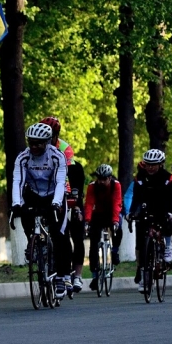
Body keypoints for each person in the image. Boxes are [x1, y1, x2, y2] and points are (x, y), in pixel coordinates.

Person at [10, 123, 72, 299]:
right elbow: (17, 181)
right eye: (31, 142)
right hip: (33, 193)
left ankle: (60, 277)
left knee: (59, 235)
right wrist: (16, 204)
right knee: (23, 211)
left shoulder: (57, 156)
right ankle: (33, 242)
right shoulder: (23, 157)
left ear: (47, 142)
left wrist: (56, 203)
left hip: (54, 194)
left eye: (38, 143)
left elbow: (60, 182)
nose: (34, 146)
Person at [127, 149, 172, 293]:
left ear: (161, 164)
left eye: (154, 164)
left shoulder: (167, 177)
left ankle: (168, 246)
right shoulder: (140, 178)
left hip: (162, 208)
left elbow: (171, 197)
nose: (150, 167)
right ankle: (144, 276)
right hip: (145, 209)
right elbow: (136, 198)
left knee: (167, 221)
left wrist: (170, 212)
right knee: (142, 243)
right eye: (148, 164)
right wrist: (131, 213)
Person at [82, 164, 123, 291]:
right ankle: (95, 275)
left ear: (110, 178)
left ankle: (115, 251)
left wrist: (115, 221)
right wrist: (87, 221)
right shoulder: (92, 186)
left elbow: (117, 203)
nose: (102, 181)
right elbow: (89, 204)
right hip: (98, 214)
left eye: (104, 179)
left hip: (112, 213)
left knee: (118, 229)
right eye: (99, 178)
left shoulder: (116, 185)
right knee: (93, 244)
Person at [66, 160, 87, 293]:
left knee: (78, 239)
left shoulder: (76, 168)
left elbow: (78, 191)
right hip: (56, 205)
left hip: (74, 204)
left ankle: (78, 276)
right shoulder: (48, 165)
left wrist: (77, 208)